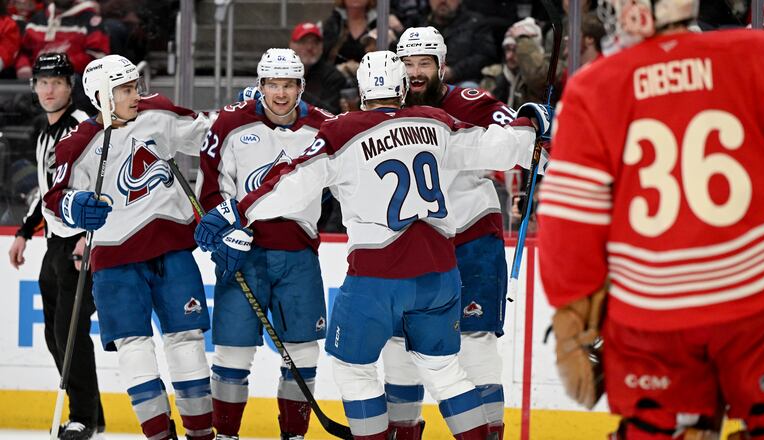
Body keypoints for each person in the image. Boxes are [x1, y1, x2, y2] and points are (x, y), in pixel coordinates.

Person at [194, 50, 543, 440]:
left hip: (377, 278)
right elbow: (503, 146)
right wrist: (532, 124)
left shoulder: (342, 130)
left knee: (352, 369)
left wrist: (237, 211)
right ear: (401, 87)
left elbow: (290, 183)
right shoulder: (439, 121)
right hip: (439, 276)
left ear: (362, 90)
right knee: (446, 371)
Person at [537, 0, 764, 439]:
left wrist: (572, 317)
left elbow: (571, 220)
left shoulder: (594, 86)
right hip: (762, 302)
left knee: (655, 429)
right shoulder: (762, 54)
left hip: (653, 316)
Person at [379, 26, 550, 440]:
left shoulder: (470, 103)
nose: (415, 72)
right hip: (411, 244)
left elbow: (527, 149)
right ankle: (403, 431)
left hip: (471, 240)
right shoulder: (385, 108)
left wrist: (540, 132)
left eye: (424, 63)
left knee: (475, 343)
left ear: (442, 66)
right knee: (398, 346)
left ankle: (488, 432)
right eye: (408, 63)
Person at [42, 54, 215, 440]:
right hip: (115, 262)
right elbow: (53, 204)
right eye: (123, 89)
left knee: (186, 343)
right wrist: (74, 208)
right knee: (133, 348)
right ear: (101, 96)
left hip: (171, 251)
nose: (134, 95)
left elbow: (211, 133)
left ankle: (203, 434)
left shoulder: (159, 113)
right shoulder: (78, 144)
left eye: (134, 86)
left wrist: (247, 114)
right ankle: (159, 435)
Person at [197, 48, 333, 440]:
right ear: (260, 86)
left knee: (303, 352)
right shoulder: (229, 124)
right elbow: (210, 190)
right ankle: (225, 435)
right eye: (273, 84)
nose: (280, 93)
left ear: (301, 87)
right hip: (245, 255)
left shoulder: (322, 127)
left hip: (299, 256)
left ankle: (294, 435)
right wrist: (225, 235)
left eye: (289, 85)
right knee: (233, 353)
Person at [7, 52, 105, 440]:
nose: (49, 90)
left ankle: (82, 417)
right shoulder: (45, 133)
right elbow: (48, 194)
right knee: (55, 335)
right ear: (34, 88)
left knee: (70, 332)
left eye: (57, 82)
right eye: (42, 83)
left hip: (81, 247)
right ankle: (93, 415)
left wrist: (87, 236)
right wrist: (23, 231)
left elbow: (99, 182)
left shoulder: (81, 126)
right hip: (55, 245)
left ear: (71, 86)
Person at [421, 0, 497, 86]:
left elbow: (485, 56)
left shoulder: (475, 23)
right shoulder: (417, 24)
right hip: (423, 80)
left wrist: (454, 71)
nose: (443, 1)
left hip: (461, 82)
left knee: (469, 88)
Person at [289, 22, 347, 115]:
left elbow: (329, 113)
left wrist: (295, 92)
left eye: (315, 42)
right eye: (303, 42)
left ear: (321, 46)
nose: (309, 47)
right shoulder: (280, 72)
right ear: (292, 45)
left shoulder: (333, 77)